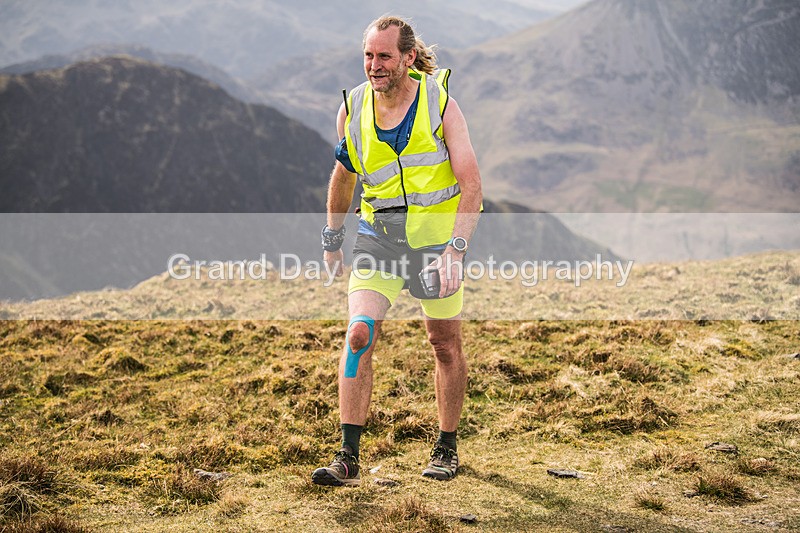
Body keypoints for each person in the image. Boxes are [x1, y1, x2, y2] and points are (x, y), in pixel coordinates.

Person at [311, 15, 482, 487]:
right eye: (368, 55)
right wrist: (332, 237)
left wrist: (456, 250)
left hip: (435, 245)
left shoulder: (441, 105)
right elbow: (344, 177)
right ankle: (347, 457)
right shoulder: (353, 108)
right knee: (358, 335)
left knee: (443, 344)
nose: (374, 65)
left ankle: (446, 447)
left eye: (384, 56)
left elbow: (472, 187)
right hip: (378, 239)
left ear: (408, 58)